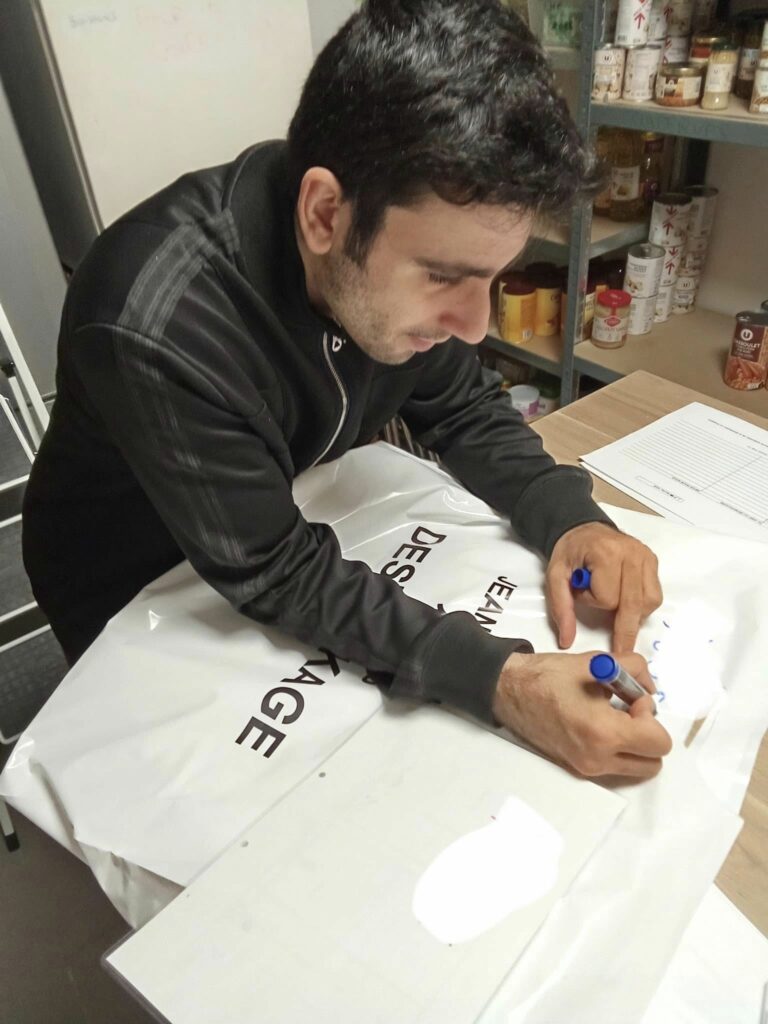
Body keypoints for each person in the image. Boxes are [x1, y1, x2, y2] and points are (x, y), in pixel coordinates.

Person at [23, 0, 671, 779]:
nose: (475, 325)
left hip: (274, 519)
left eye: (492, 278)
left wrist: (568, 517)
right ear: (325, 214)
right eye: (445, 277)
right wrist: (505, 681)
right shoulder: (154, 320)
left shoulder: (380, 248)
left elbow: (462, 406)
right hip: (133, 580)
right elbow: (277, 569)